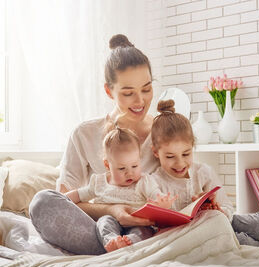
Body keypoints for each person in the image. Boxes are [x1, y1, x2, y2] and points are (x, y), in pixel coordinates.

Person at [29, 34, 160, 255]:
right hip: (102, 228)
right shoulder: (85, 134)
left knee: (216, 218)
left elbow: (184, 188)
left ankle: (127, 250)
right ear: (109, 91)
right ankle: (123, 249)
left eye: (146, 89)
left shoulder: (165, 132)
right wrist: (114, 210)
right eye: (128, 93)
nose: (140, 101)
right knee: (42, 203)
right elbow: (65, 201)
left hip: (156, 229)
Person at [150, 99, 259, 246]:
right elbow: (156, 228)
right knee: (235, 242)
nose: (180, 163)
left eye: (186, 154)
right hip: (200, 234)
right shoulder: (154, 182)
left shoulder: (203, 172)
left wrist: (217, 209)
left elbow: (228, 208)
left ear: (193, 147)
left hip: (222, 221)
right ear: (156, 152)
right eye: (170, 156)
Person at [65, 121, 176, 252]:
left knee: (143, 231)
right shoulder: (99, 182)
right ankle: (113, 242)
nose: (130, 172)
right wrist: (62, 199)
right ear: (107, 165)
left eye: (134, 166)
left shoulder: (144, 181)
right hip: (111, 220)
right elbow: (79, 194)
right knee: (104, 222)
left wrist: (163, 203)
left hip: (137, 222)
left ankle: (131, 243)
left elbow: (156, 195)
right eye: (122, 168)